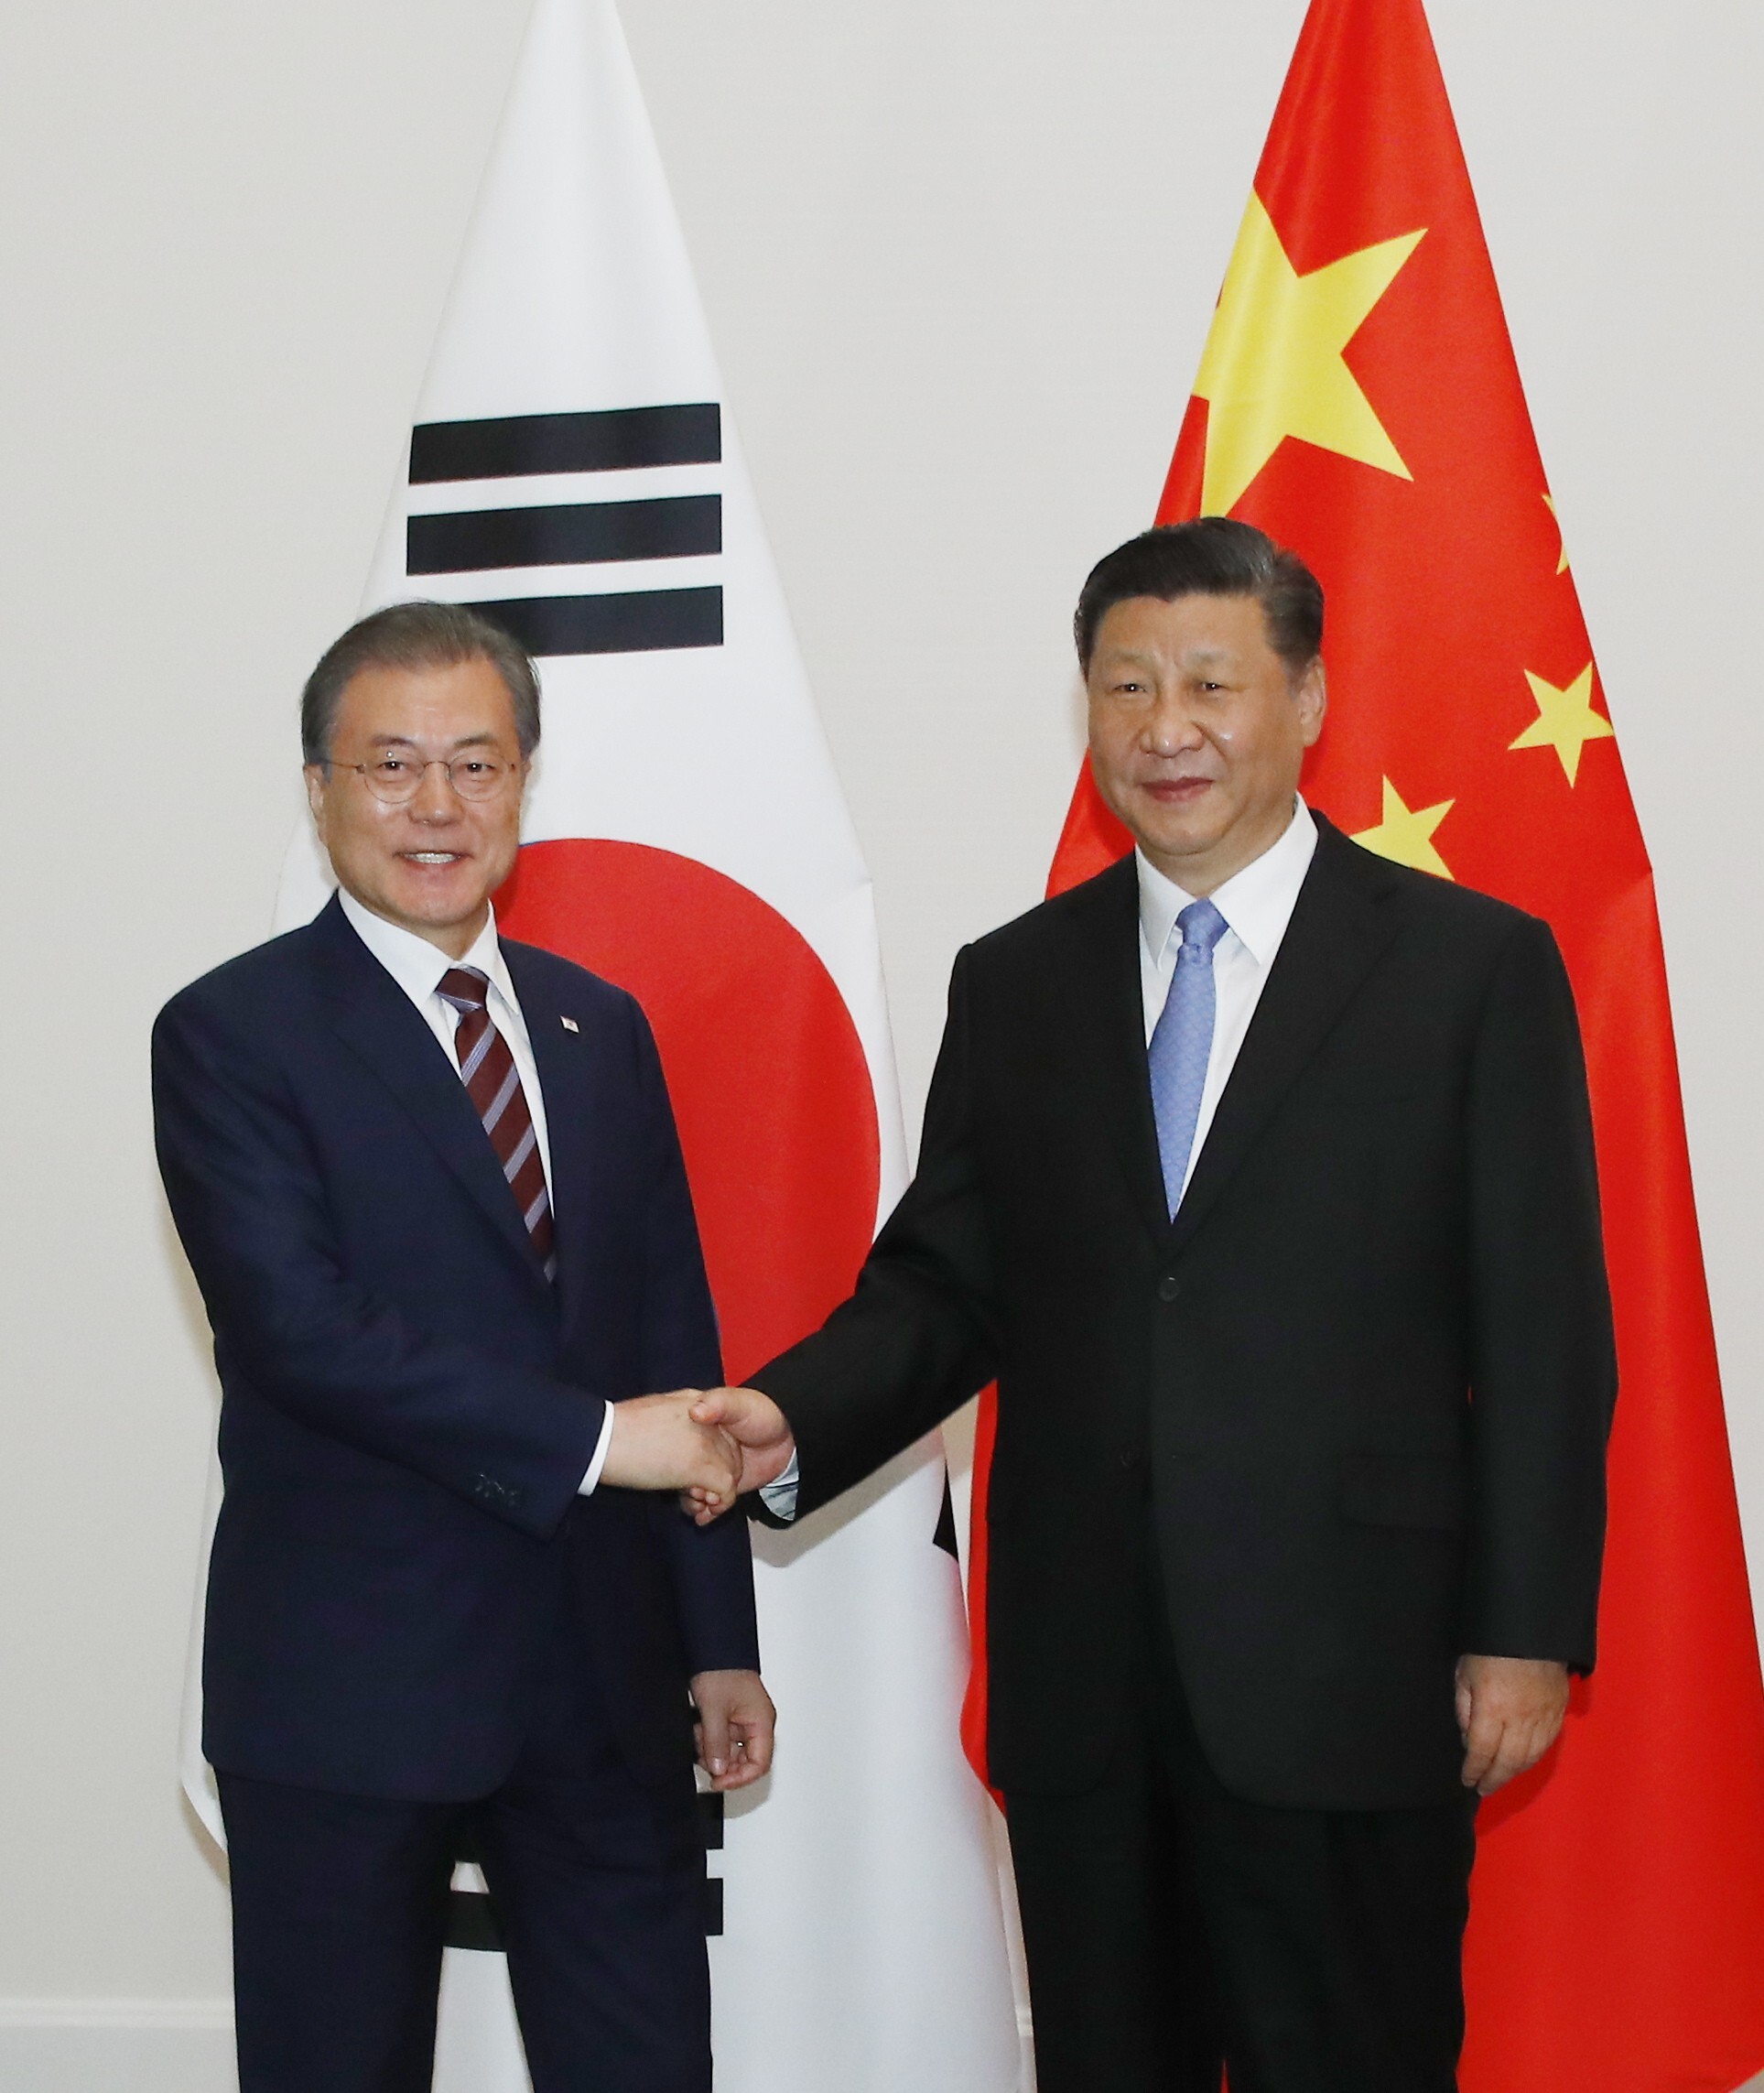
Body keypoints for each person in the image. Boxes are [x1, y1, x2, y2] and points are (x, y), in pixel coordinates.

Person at [676, 520, 1617, 2091]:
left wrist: (1522, 1630)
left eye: (1208, 682)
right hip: (1086, 1683)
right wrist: (790, 1415)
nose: (1163, 728)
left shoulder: (1470, 969)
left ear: (1308, 700)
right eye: (1124, 686)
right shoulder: (1018, 982)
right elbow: (947, 1279)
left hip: (1353, 1671)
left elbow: (1544, 1329)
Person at [153, 602, 767, 2093]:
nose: (437, 808)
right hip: (351, 1686)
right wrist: (608, 1443)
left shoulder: (596, 1024)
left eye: (477, 766)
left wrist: (716, 1637)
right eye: (392, 766)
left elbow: (671, 1329)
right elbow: (304, 1335)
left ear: (525, 782)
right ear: (318, 787)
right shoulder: (231, 1033)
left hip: (606, 1688)